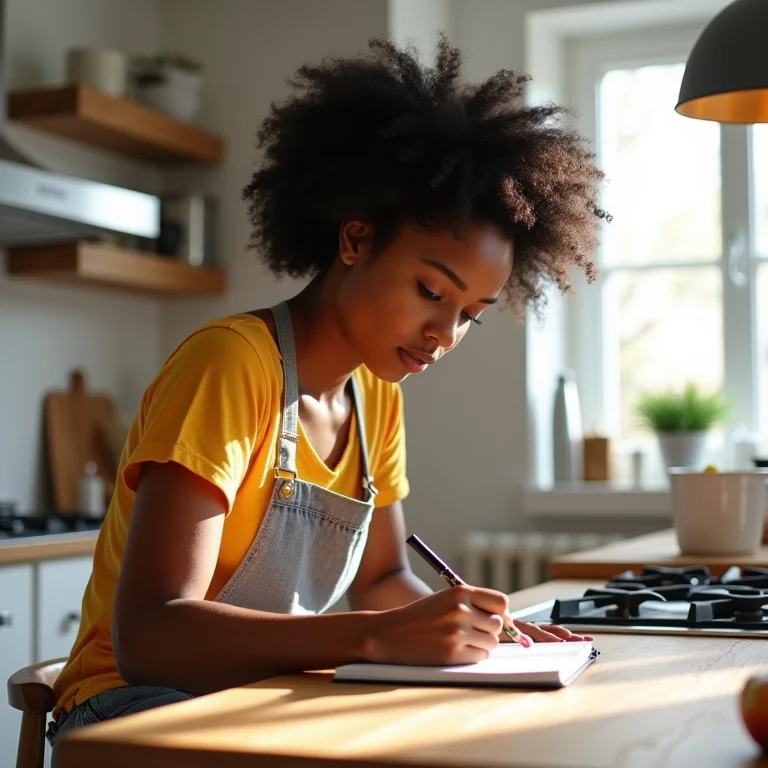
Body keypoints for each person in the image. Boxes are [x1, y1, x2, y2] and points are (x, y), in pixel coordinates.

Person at [48, 34, 606, 759]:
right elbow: (152, 636)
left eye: (470, 314)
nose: (444, 334)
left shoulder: (376, 396)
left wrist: (476, 633)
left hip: (262, 698)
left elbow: (382, 579)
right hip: (130, 709)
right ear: (355, 240)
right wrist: (375, 637)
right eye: (430, 290)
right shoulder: (230, 365)